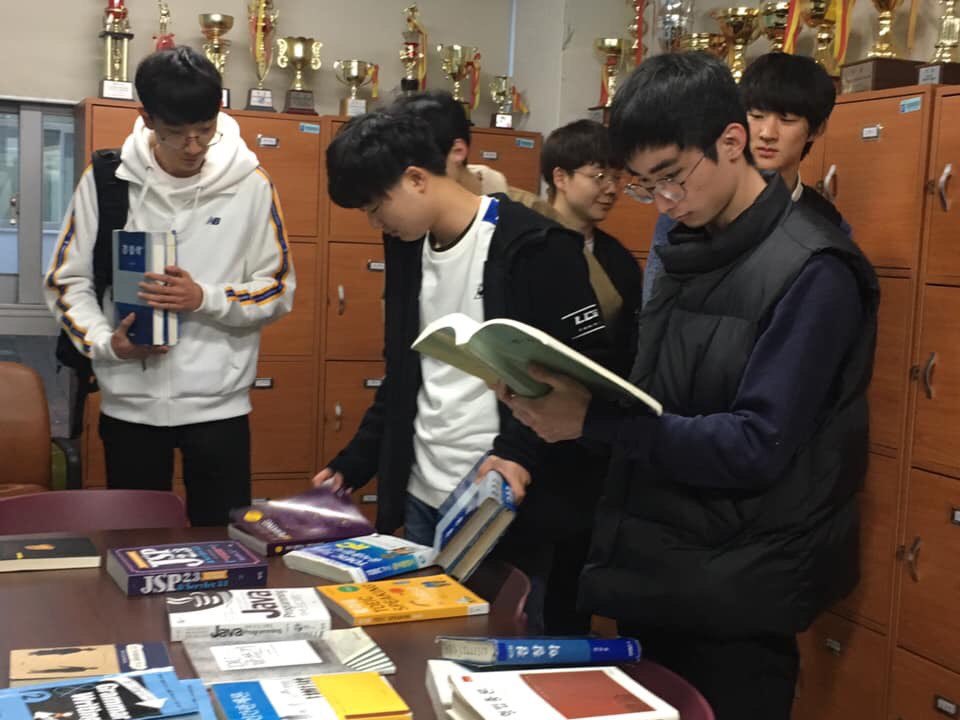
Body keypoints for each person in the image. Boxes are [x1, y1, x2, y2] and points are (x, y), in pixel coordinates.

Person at [495, 52, 879, 719]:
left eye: (671, 177)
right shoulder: (687, 242)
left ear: (731, 142)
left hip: (738, 593)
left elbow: (756, 445)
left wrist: (592, 422)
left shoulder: (815, 271)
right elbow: (661, 390)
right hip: (663, 568)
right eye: (645, 186)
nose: (664, 202)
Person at [312, 111, 610, 564]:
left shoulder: (535, 245)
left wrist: (518, 454)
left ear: (416, 179)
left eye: (375, 208)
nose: (375, 223)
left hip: (499, 496)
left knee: (502, 610)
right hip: (421, 491)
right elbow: (405, 373)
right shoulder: (408, 247)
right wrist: (352, 464)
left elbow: (581, 372)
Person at [43, 47, 295, 526]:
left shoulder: (251, 185)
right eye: (176, 133)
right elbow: (66, 281)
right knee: (136, 543)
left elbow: (278, 287)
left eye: (205, 129)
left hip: (219, 408)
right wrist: (106, 343)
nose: (193, 146)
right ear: (147, 119)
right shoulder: (107, 180)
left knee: (224, 544)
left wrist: (206, 299)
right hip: (130, 407)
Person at [643, 51, 847, 306]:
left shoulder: (827, 222)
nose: (767, 133)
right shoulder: (691, 210)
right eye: (756, 116)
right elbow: (655, 304)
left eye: (787, 120)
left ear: (817, 130)